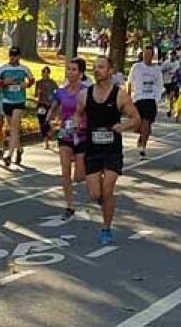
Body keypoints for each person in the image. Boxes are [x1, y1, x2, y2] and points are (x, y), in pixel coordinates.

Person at [79, 54, 140, 246]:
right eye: (95, 67)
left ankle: (106, 228)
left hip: (112, 150)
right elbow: (77, 116)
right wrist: (73, 126)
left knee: (107, 189)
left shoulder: (119, 94)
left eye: (102, 67)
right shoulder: (85, 94)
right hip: (92, 150)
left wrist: (122, 127)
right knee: (95, 194)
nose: (97, 70)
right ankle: (104, 202)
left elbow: (136, 118)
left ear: (110, 70)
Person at [48, 58, 88, 220]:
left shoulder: (86, 92)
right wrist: (48, 124)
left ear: (81, 73)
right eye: (69, 69)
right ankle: (69, 206)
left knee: (79, 176)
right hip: (65, 134)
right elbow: (52, 110)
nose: (70, 73)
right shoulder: (61, 92)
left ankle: (89, 171)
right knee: (65, 173)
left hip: (82, 135)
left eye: (74, 70)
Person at [0, 46, 34, 166]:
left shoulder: (24, 69)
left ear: (19, 56)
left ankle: (9, 156)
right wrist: (3, 82)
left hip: (19, 101)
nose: (12, 58)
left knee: (14, 128)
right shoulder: (3, 69)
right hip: (7, 101)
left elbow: (31, 80)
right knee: (12, 129)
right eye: (11, 55)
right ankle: (19, 149)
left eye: (15, 56)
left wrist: (25, 85)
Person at [127, 45, 164, 158]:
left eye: (149, 54)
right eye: (145, 54)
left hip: (150, 99)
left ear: (153, 56)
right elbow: (129, 82)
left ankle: (143, 146)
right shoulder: (136, 67)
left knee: (146, 122)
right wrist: (128, 96)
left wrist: (157, 97)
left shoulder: (156, 69)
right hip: (138, 98)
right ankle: (143, 134)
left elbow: (159, 85)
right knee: (138, 126)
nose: (147, 56)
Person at [34, 66, 59, 149]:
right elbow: (35, 95)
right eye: (43, 72)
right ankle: (45, 141)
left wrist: (52, 98)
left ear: (49, 73)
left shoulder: (52, 83)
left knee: (47, 121)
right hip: (41, 104)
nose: (44, 74)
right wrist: (38, 93)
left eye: (46, 72)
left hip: (49, 105)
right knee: (42, 122)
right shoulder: (38, 82)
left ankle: (51, 132)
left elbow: (57, 93)